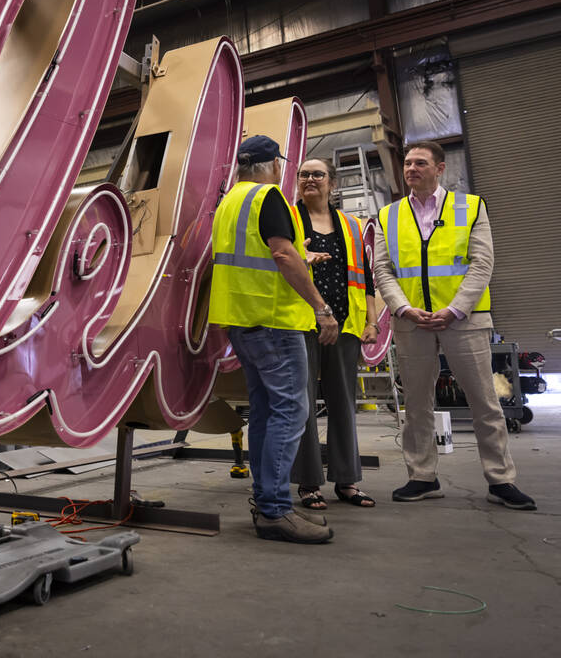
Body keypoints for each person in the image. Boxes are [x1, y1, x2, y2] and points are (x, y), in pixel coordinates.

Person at [371, 141, 534, 510]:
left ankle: (500, 481)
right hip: (412, 323)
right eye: (407, 163)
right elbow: (382, 270)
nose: (411, 168)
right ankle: (422, 477)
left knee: (485, 403)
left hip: (465, 321)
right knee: (416, 406)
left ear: (440, 168)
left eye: (420, 163)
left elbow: (482, 264)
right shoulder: (387, 216)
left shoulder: (470, 207)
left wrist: (455, 309)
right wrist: (404, 309)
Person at [209, 135, 340, 543]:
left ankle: (267, 499)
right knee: (291, 412)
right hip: (273, 320)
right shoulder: (269, 197)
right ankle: (275, 510)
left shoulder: (229, 202)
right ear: (274, 165)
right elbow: (281, 255)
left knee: (266, 411)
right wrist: (321, 308)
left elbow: (260, 254)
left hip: (242, 320)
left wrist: (300, 255)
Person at [291, 159, 380, 510]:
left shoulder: (353, 226)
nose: (310, 179)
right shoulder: (288, 219)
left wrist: (371, 322)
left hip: (344, 325)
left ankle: (347, 480)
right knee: (303, 404)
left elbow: (367, 279)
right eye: (303, 175)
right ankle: (308, 483)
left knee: (344, 403)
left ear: (332, 182)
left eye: (317, 174)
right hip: (301, 323)